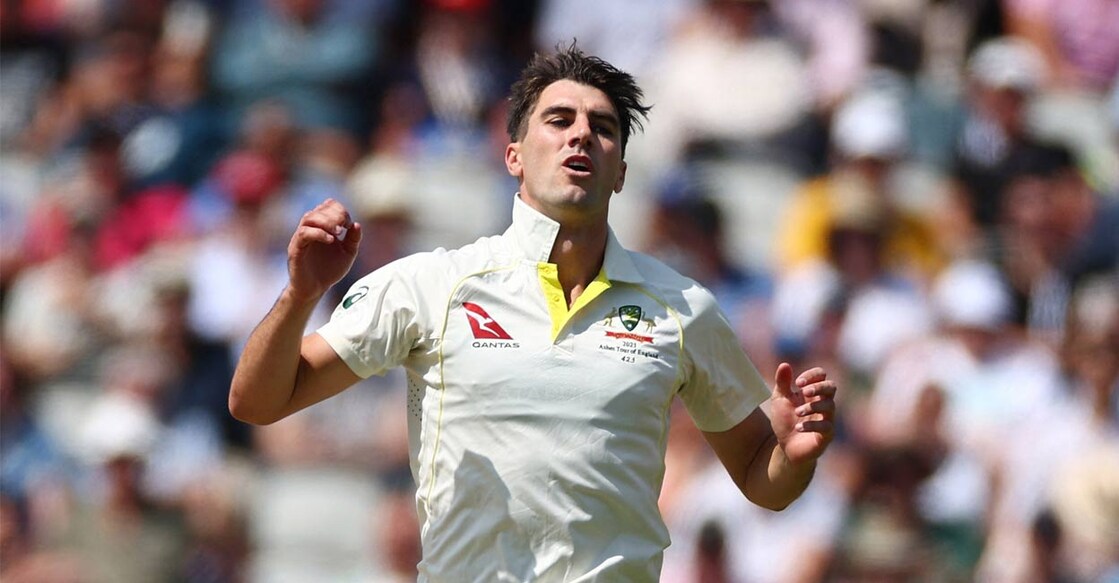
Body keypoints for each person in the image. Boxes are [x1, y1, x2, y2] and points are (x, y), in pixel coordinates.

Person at [229, 44, 838, 581]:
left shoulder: (683, 307)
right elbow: (257, 401)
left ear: (621, 172)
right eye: (559, 119)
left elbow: (764, 480)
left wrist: (795, 456)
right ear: (514, 155)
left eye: (602, 127)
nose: (580, 135)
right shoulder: (433, 283)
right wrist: (300, 295)